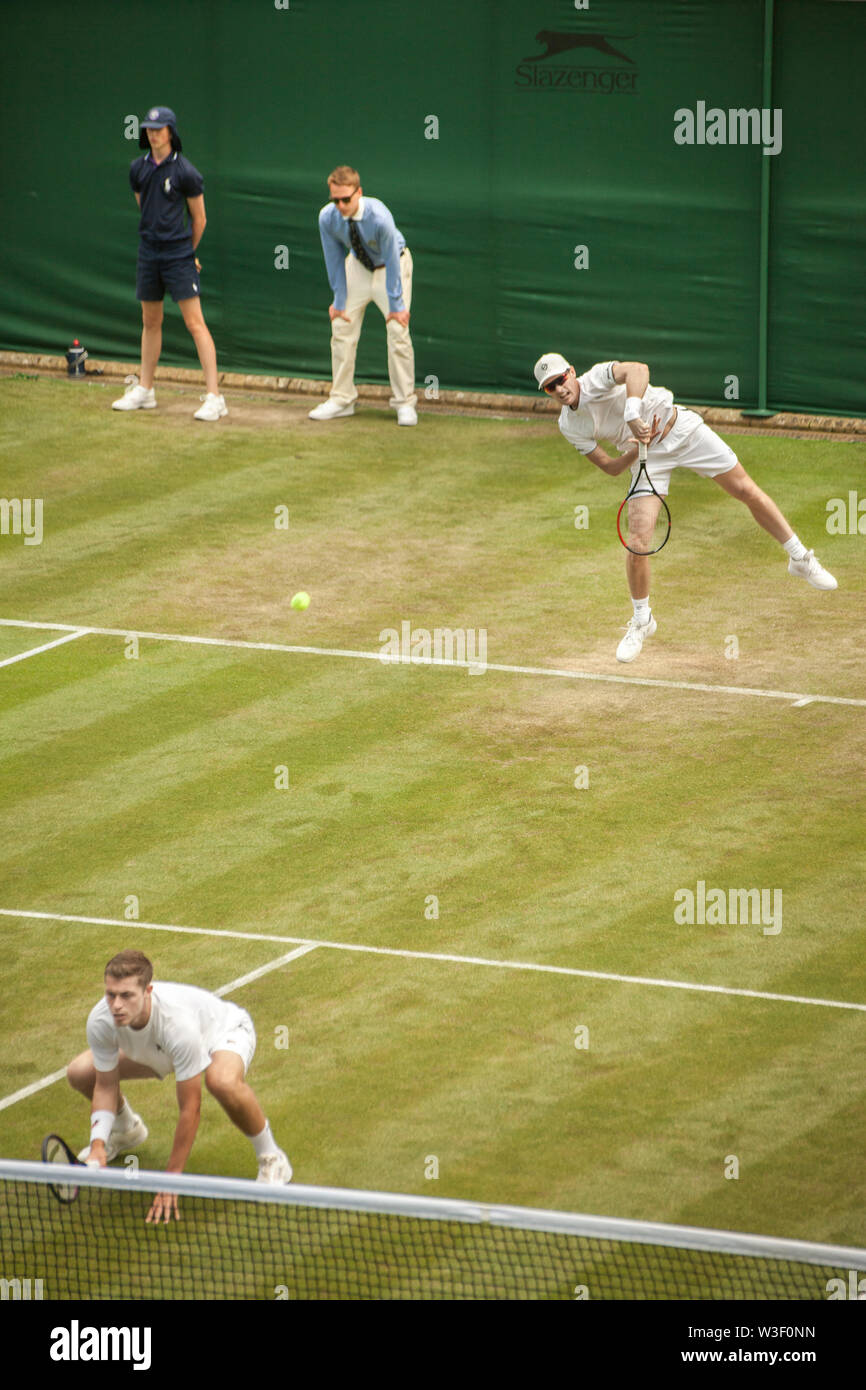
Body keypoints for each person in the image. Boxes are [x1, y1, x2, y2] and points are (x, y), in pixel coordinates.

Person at [533, 354, 838, 663]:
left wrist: (632, 412)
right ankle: (642, 621)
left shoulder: (597, 377)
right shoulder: (568, 424)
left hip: (682, 430)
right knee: (637, 543)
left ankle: (800, 558)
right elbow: (610, 466)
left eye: (560, 379)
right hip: (647, 456)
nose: (559, 389)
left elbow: (638, 370)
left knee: (745, 489)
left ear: (571, 373)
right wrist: (640, 445)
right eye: (549, 387)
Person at [67, 949, 291, 1222]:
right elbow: (104, 1085)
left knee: (220, 1082)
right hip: (159, 1050)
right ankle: (126, 1130)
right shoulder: (101, 1020)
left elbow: (190, 1110)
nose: (116, 1005)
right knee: (80, 1072)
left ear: (148, 991)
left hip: (221, 1034)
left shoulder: (177, 1024)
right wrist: (97, 1143)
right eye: (111, 994)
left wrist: (172, 1179)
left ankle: (272, 1157)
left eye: (127, 996)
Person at [112, 106, 227, 423]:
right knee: (150, 321)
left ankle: (215, 397)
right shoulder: (138, 168)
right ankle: (145, 390)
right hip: (149, 253)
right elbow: (145, 207)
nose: (152, 133)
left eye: (159, 128)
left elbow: (199, 219)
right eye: (149, 128)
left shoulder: (186, 172)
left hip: (179, 256)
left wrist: (188, 252)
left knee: (195, 323)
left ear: (171, 133)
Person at [310, 165, 417, 426]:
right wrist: (339, 299)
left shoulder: (379, 217)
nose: (341, 205)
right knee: (341, 325)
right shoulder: (327, 218)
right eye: (335, 200)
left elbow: (392, 257)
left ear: (359, 193)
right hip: (357, 266)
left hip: (392, 267)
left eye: (346, 199)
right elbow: (333, 257)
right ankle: (342, 399)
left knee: (397, 329)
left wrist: (396, 304)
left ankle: (404, 403)